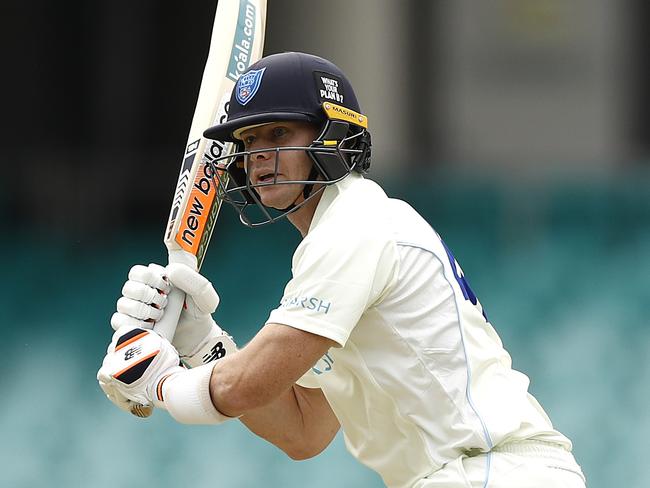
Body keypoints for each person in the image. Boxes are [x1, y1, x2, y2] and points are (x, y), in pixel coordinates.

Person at [97, 52, 586, 488]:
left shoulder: (355, 226)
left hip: (491, 471)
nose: (260, 153)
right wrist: (203, 343)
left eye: (279, 132)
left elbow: (242, 387)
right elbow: (304, 429)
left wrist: (161, 383)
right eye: (249, 138)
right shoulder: (337, 241)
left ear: (332, 137)